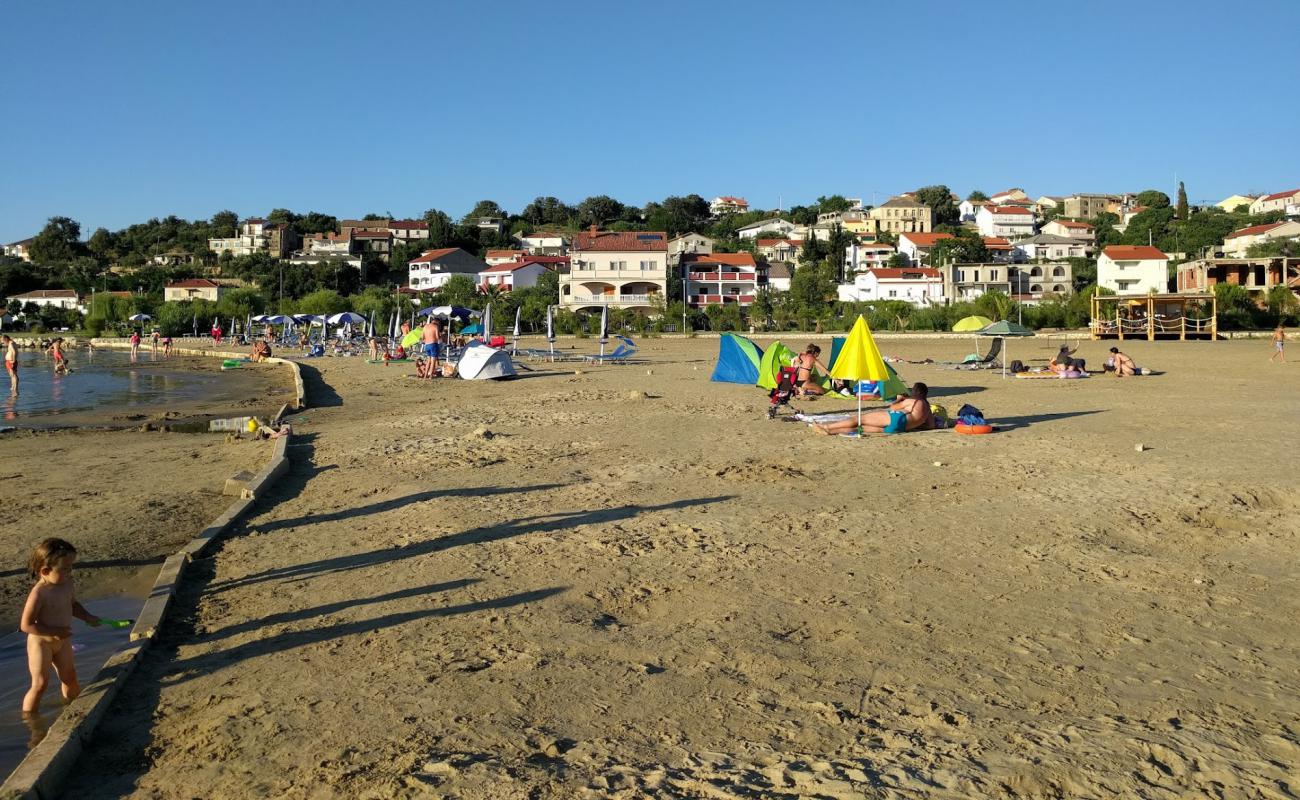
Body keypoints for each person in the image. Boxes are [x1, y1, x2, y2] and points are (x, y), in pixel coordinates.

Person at [20, 538, 102, 714]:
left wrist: (87, 616)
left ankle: (74, 711)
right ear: (45, 570)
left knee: (70, 677)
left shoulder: (67, 584)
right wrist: (52, 632)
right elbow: (26, 625)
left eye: (70, 567)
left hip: (63, 640)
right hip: (41, 643)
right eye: (64, 569)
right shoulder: (39, 594)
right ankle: (30, 720)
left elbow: (72, 605)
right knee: (40, 684)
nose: (69, 572)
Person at [815, 382, 935, 436]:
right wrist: (914, 425)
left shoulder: (913, 401)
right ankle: (830, 432)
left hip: (896, 418)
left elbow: (892, 407)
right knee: (859, 428)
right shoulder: (927, 408)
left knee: (859, 419)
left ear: (914, 391)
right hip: (899, 429)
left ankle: (827, 427)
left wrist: (899, 399)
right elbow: (930, 426)